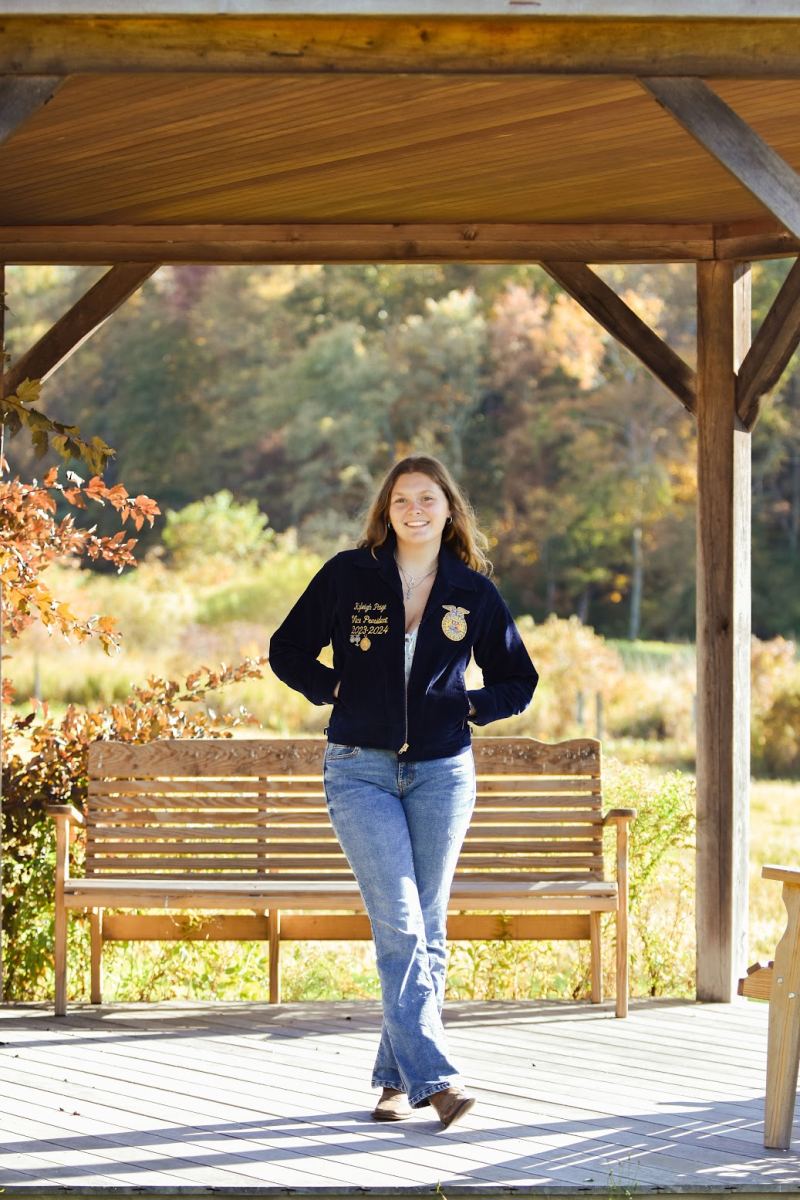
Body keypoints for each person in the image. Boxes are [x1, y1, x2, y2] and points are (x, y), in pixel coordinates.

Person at [269, 455, 538, 1129]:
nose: (414, 509)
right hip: (359, 767)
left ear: (449, 509)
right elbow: (287, 649)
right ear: (385, 513)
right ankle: (439, 1082)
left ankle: (395, 1080)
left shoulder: (471, 591)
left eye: (427, 498)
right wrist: (331, 687)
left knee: (427, 928)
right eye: (401, 501)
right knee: (401, 923)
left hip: (443, 772)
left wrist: (469, 706)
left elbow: (519, 677)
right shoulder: (347, 575)